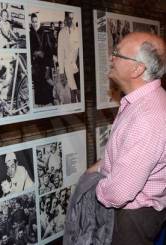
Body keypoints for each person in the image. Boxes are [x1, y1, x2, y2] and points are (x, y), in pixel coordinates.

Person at [87, 32, 166, 245]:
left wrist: (92, 187)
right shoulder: (143, 102)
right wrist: (101, 167)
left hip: (132, 219)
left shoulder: (148, 116)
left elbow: (119, 192)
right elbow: (130, 155)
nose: (111, 58)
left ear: (137, 69)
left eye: (118, 54)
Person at [29, 13, 54, 106]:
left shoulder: (45, 33)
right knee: (38, 89)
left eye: (36, 21)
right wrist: (35, 53)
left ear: (39, 21)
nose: (35, 23)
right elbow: (30, 50)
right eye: (33, 22)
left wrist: (48, 66)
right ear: (31, 22)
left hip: (45, 65)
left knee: (47, 89)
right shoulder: (30, 34)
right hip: (36, 66)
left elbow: (49, 51)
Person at [58, 12, 80, 103]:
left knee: (79, 91)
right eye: (69, 18)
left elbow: (79, 49)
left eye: (72, 18)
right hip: (68, 66)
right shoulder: (62, 33)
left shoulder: (77, 31)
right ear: (65, 18)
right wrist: (61, 72)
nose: (71, 20)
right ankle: (75, 109)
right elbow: (60, 52)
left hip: (78, 65)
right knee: (72, 91)